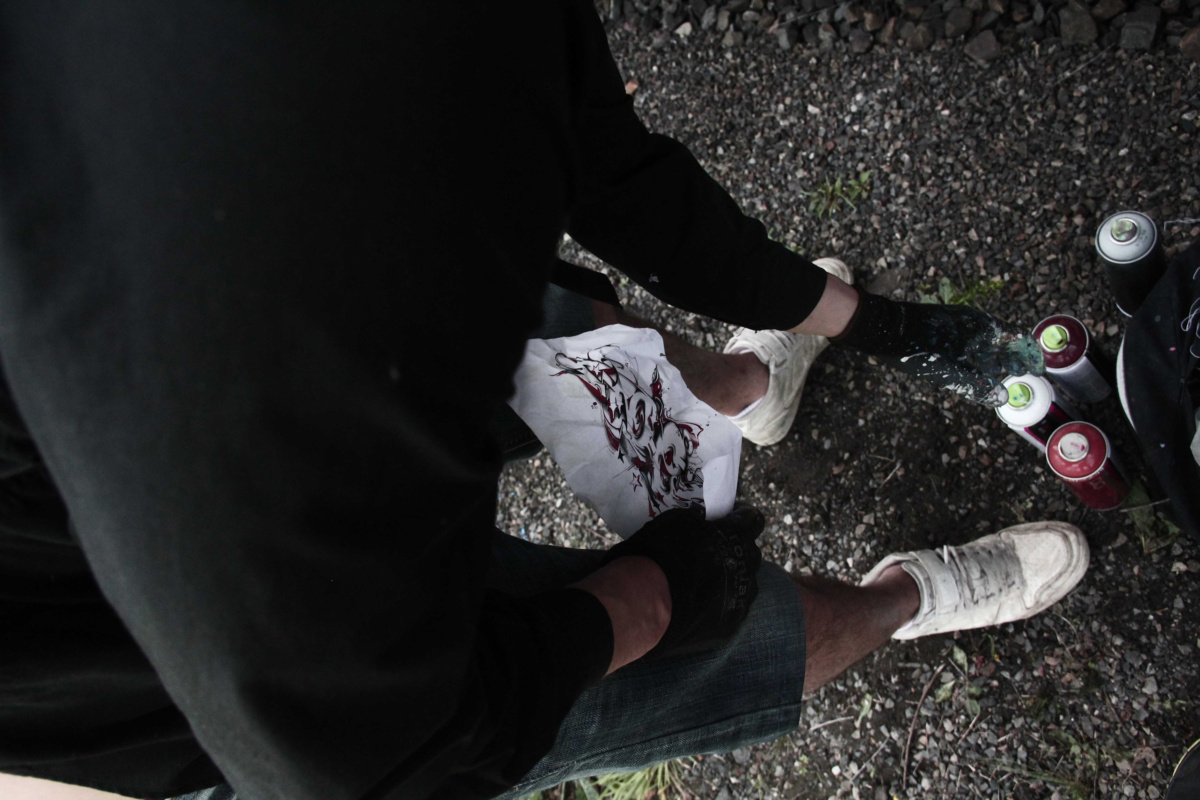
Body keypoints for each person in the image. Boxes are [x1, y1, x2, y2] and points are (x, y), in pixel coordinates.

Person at [0, 3, 1086, 800]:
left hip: (272, 365)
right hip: (222, 714)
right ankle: (894, 600)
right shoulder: (224, 399)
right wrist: (652, 596)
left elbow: (617, 176)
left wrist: (864, 319)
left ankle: (747, 390)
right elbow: (357, 757)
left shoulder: (411, 62)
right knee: (719, 648)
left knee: (586, 334)